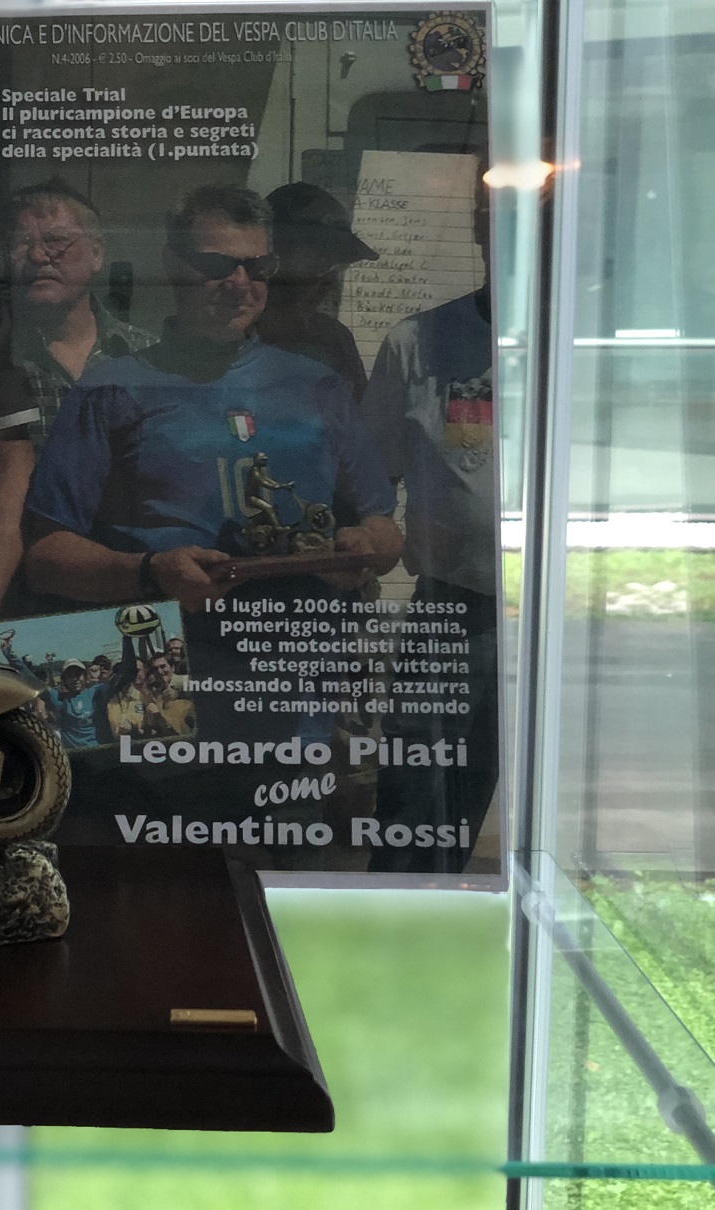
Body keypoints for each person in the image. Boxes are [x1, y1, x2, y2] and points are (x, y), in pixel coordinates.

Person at [22, 183, 402, 614]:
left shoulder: (318, 386)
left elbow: (385, 530)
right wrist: (151, 572)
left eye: (257, 267)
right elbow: (46, 558)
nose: (239, 283)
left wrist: (367, 546)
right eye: (216, 265)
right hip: (176, 646)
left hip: (301, 643)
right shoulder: (109, 390)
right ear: (172, 264)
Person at [359, 176, 499, 873]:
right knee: (413, 796)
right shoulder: (417, 343)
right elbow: (367, 485)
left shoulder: (585, 347)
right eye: (495, 217)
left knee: (485, 793)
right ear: (478, 229)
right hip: (451, 610)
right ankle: (389, 923)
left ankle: (449, 920)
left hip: (557, 620)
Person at [0, 180, 155, 620]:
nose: (38, 256)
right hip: (14, 600)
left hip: (133, 589)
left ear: (96, 253)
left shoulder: (149, 358)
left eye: (56, 241)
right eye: (20, 244)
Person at [257, 182, 378, 404]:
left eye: (339, 266)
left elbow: (357, 419)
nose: (330, 281)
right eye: (320, 260)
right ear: (272, 257)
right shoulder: (232, 336)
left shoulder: (334, 339)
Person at [0, 632, 136, 750]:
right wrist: (9, 654)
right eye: (70, 675)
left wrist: (127, 637)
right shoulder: (57, 698)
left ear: (85, 676)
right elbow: (31, 680)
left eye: (78, 674)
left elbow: (127, 673)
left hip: (101, 754)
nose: (75, 679)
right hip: (76, 760)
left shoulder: (98, 692)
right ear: (63, 680)